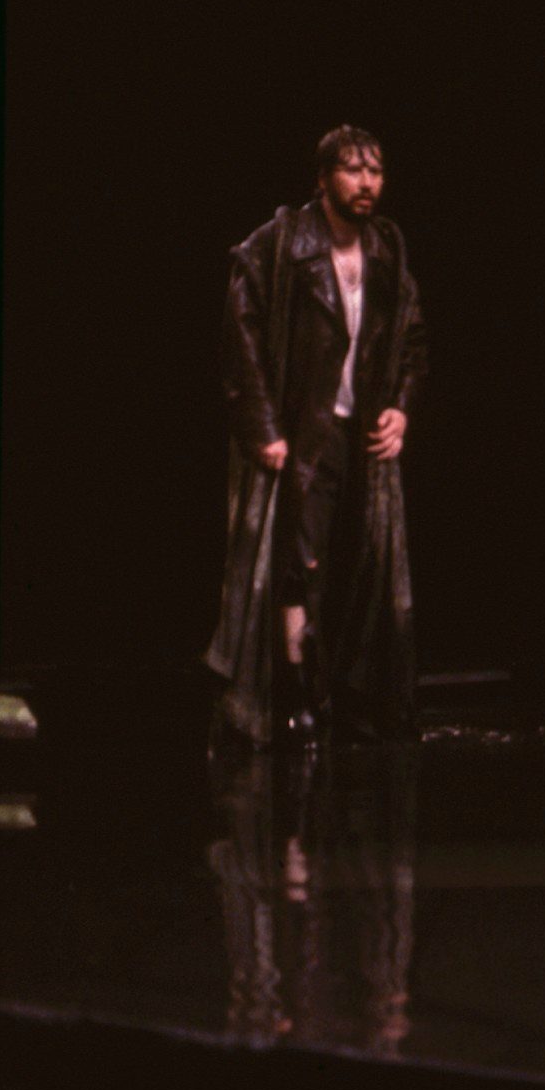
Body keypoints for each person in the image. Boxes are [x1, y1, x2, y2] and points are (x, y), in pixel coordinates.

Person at [209, 126, 428, 747]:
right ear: (324, 177)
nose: (367, 183)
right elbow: (240, 337)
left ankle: (344, 695)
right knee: (295, 565)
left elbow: (412, 340)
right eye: (353, 170)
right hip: (303, 435)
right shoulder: (282, 244)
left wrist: (401, 408)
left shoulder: (386, 251)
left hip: (359, 435)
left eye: (375, 171)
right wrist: (263, 428)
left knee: (358, 561)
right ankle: (297, 695)